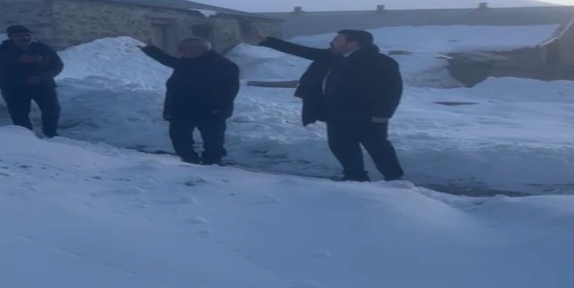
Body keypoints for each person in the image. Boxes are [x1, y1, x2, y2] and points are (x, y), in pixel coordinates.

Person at [256, 29, 404, 182]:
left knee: (377, 146)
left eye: (337, 39)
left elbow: (392, 89)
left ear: (353, 43)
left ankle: (394, 178)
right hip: (335, 112)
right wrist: (267, 40)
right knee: (341, 146)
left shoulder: (381, 62)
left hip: (367, 115)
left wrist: (383, 114)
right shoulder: (333, 56)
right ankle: (355, 177)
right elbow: (302, 51)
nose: (332, 42)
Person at [140, 37, 240, 165]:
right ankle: (189, 160)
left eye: (183, 49)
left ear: (198, 50)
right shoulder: (187, 61)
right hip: (182, 107)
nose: (180, 52)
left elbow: (229, 91)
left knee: (213, 139)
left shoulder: (224, 66)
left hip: (210, 109)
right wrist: (151, 49)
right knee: (179, 137)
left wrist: (219, 109)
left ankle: (212, 162)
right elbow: (170, 61)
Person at [0, 25, 64, 138]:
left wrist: (42, 77)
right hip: (13, 87)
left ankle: (51, 133)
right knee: (19, 113)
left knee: (52, 109)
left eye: (27, 35)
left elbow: (57, 65)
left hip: (42, 85)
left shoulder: (43, 48)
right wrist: (18, 60)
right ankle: (25, 136)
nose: (24, 38)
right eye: (19, 36)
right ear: (11, 37)